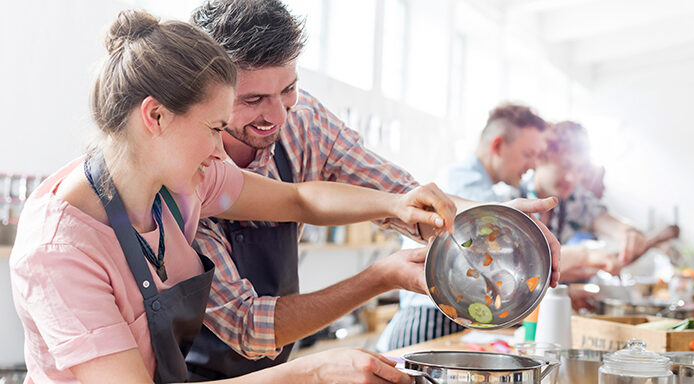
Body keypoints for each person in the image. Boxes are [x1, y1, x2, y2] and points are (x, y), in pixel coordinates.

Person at [9, 10, 459, 384]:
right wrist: (312, 373)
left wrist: (394, 204)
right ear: (157, 116)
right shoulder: (59, 254)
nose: (220, 149)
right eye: (213, 129)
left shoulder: (182, 185)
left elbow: (300, 200)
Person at [185, 0, 562, 380]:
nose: (280, 115)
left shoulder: (304, 122)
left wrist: (492, 218)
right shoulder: (189, 174)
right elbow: (249, 328)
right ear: (207, 94)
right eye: (253, 100)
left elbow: (393, 194)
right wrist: (379, 277)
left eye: (288, 89)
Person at [377, 103, 552, 350]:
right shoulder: (464, 182)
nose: (533, 165)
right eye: (528, 154)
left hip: (449, 318)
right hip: (428, 319)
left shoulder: (484, 185)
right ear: (498, 145)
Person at [521, 121, 677, 281]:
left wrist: (628, 232)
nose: (572, 178)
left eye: (579, 169)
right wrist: (584, 255)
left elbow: (603, 219)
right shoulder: (512, 196)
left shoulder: (575, 198)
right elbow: (524, 262)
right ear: (540, 158)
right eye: (566, 166)